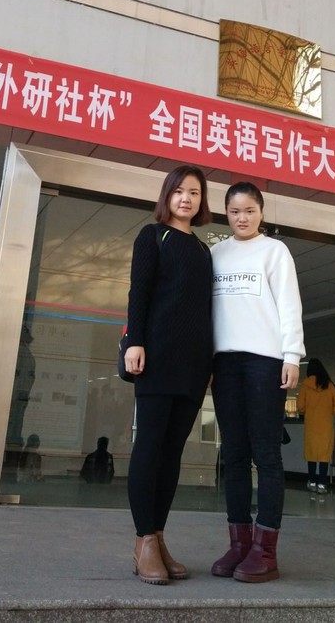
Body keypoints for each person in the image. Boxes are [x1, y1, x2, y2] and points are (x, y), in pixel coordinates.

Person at [210, 181, 305, 584]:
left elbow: (289, 304)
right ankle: (239, 544)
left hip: (266, 361)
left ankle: (265, 551)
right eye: (234, 212)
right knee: (233, 454)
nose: (242, 218)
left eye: (249, 211)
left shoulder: (275, 251)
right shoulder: (216, 253)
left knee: (266, 454)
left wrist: (292, 355)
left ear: (261, 212)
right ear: (226, 214)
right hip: (224, 362)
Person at [123, 165, 213, 585]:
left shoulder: (204, 250)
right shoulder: (152, 236)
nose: (186, 199)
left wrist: (210, 362)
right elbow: (138, 292)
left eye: (194, 192)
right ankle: (143, 540)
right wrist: (135, 342)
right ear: (167, 196)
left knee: (172, 453)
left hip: (194, 364)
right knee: (150, 448)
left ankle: (158, 536)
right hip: (156, 357)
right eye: (178, 191)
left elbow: (206, 310)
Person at [297, 358, 335, 494]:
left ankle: (312, 482)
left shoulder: (305, 385)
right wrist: (329, 412)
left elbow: (300, 406)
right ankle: (322, 484)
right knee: (324, 455)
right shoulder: (329, 385)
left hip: (311, 426)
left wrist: (307, 412)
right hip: (326, 426)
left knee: (311, 454)